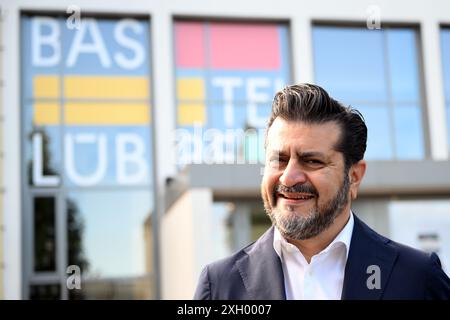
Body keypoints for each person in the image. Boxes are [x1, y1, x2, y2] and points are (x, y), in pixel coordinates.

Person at [194, 83, 450, 300]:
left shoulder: (417, 277)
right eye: (279, 160)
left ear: (354, 177)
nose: (289, 177)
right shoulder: (219, 286)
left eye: (312, 161)